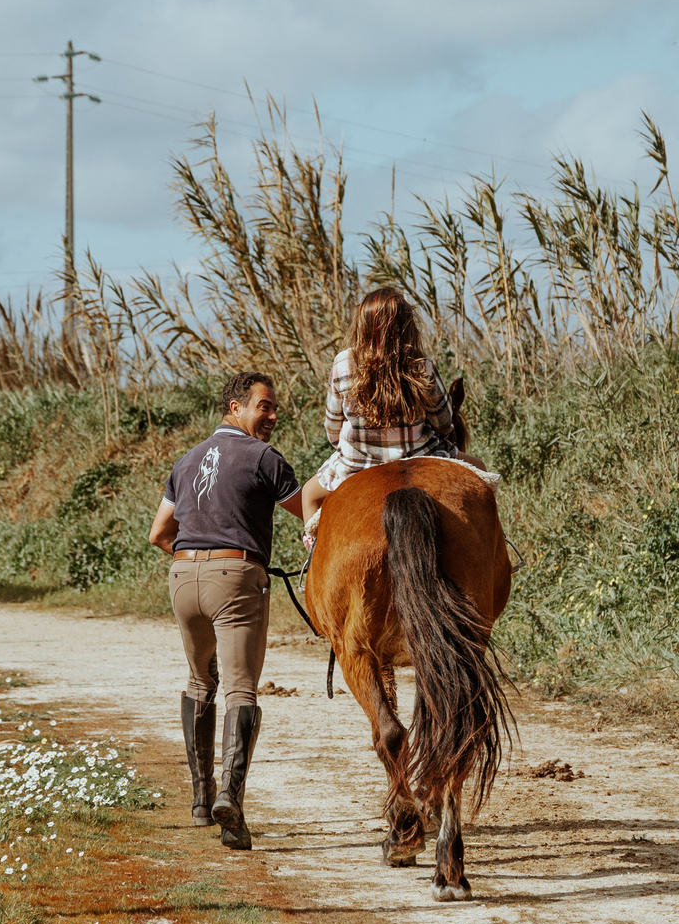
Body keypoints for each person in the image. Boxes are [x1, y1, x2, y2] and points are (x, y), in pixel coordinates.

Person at [148, 370, 301, 850]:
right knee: (241, 689)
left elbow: (157, 534)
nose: (273, 415)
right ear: (235, 407)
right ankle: (230, 798)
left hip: (182, 577)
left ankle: (200, 800)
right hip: (234, 579)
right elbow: (309, 511)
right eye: (265, 406)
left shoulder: (186, 460)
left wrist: (196, 558)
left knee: (199, 681)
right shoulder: (263, 458)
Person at [294, 286, 479, 537]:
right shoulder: (421, 366)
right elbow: (445, 425)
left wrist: (351, 445)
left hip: (356, 465)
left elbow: (332, 429)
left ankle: (313, 556)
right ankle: (497, 555)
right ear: (407, 325)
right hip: (420, 458)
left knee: (309, 495)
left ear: (363, 325)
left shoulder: (342, 363)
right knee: (481, 470)